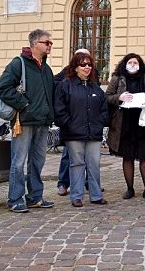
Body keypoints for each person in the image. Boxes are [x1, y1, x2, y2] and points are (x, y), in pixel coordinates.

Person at [0, 29, 55, 212]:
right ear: (35, 44)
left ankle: (35, 197)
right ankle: (15, 199)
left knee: (38, 161)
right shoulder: (18, 64)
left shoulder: (46, 68)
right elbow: (2, 87)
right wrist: (24, 105)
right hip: (24, 121)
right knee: (18, 161)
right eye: (47, 43)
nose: (50, 45)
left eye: (50, 43)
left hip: (43, 121)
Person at [54, 53, 109, 207]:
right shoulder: (66, 85)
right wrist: (68, 124)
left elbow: (104, 109)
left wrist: (100, 123)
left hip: (94, 133)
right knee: (76, 163)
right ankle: (76, 196)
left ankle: (96, 195)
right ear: (75, 67)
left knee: (94, 164)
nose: (87, 67)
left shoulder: (95, 87)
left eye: (89, 65)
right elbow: (59, 109)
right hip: (74, 134)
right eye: (83, 64)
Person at [106, 53, 145, 200]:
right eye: (129, 62)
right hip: (125, 123)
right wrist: (120, 97)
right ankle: (130, 189)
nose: (132, 64)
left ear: (140, 64)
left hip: (144, 123)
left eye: (135, 62)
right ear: (125, 64)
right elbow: (108, 96)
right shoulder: (117, 78)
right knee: (128, 157)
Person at [54, 48, 92, 197]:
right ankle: (63, 183)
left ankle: (89, 183)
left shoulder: (91, 74)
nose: (86, 65)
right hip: (72, 123)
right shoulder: (66, 73)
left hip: (87, 123)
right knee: (68, 156)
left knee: (90, 157)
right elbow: (55, 84)